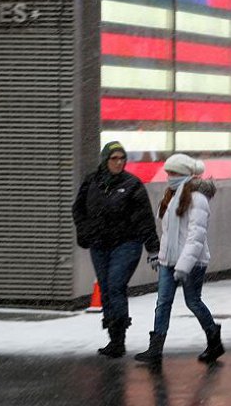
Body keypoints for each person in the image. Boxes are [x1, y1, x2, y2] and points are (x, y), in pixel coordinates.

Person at [134, 154, 224, 364]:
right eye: (168, 173)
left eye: (173, 173)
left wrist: (184, 265)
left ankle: (214, 340)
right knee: (163, 302)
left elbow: (196, 236)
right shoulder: (172, 196)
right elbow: (168, 234)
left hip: (192, 262)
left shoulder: (197, 198)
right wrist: (161, 256)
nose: (169, 177)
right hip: (169, 261)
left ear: (184, 174)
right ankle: (155, 349)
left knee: (192, 301)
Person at [73, 141, 160, 358]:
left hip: (126, 244)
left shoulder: (132, 185)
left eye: (122, 158)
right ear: (105, 160)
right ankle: (113, 338)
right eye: (115, 158)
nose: (119, 162)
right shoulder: (91, 181)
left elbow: (144, 219)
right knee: (105, 288)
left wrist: (152, 248)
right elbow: (79, 209)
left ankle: (119, 337)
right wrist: (85, 233)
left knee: (115, 285)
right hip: (100, 244)